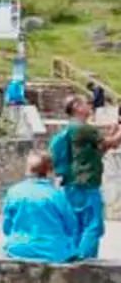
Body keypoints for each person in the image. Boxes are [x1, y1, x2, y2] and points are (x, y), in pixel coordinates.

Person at [51, 95, 121, 259]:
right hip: (86, 183)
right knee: (94, 225)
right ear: (76, 107)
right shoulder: (83, 128)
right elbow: (110, 143)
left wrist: (114, 131)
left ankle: (74, 257)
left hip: (72, 182)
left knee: (79, 225)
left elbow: (102, 149)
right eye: (85, 103)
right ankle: (84, 262)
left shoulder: (72, 128)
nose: (89, 105)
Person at [3, 150, 78, 263]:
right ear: (49, 170)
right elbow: (71, 226)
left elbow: (7, 227)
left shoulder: (13, 192)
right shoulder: (56, 195)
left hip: (18, 248)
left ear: (28, 169)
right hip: (53, 251)